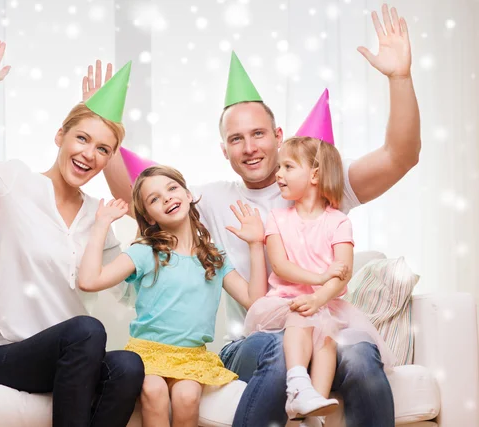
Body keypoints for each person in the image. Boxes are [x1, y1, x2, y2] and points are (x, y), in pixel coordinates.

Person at [98, 5, 420, 427]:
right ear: (224, 150)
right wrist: (102, 128)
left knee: (359, 356)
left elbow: (400, 156)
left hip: (327, 335)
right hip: (253, 342)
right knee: (276, 343)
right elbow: (139, 196)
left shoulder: (319, 187)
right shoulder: (213, 201)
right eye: (236, 138)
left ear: (279, 136)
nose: (249, 147)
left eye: (258, 134)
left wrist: (399, 78)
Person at [0, 39, 144, 427]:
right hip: (6, 355)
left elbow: (125, 281)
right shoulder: (14, 181)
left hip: (76, 354)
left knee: (127, 365)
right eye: (81, 138)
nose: (89, 155)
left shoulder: (98, 216)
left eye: (103, 149)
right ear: (60, 136)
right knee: (87, 331)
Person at [77, 165, 267, 427]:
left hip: (192, 356)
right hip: (147, 353)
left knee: (187, 396)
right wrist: (101, 225)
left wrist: (256, 244)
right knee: (153, 391)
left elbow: (254, 301)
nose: (166, 197)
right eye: (154, 199)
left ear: (189, 194)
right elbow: (89, 281)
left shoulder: (214, 257)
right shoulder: (146, 251)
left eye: (172, 188)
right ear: (150, 217)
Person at [243, 136, 396, 425]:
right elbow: (281, 265)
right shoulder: (276, 218)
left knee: (326, 334)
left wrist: (319, 297)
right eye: (279, 167)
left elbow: (343, 273)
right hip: (283, 303)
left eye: (287, 167)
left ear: (314, 174)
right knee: (304, 315)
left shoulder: (339, 221)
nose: (279, 174)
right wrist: (318, 280)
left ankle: (314, 409)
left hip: (326, 304)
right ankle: (298, 383)